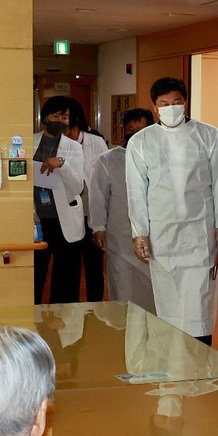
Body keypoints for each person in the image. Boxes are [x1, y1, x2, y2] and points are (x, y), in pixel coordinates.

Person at [125, 77, 218, 344]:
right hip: (162, 233)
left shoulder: (208, 135)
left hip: (199, 231)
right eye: (164, 104)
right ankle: (171, 364)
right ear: (154, 106)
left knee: (199, 301)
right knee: (169, 301)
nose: (171, 108)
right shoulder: (141, 141)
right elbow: (136, 191)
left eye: (177, 102)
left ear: (185, 102)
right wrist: (140, 233)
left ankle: (200, 356)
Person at [88, 108, 155, 312]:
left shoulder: (161, 158)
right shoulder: (108, 159)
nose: (135, 134)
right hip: (120, 235)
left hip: (155, 236)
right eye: (130, 129)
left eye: (141, 129)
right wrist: (98, 226)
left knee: (153, 291)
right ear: (124, 131)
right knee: (123, 288)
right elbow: (98, 195)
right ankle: (124, 333)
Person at [33, 96, 87, 303]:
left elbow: (77, 187)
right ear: (45, 117)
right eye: (56, 115)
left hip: (64, 219)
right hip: (37, 219)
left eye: (65, 117)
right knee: (36, 274)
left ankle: (64, 328)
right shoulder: (30, 141)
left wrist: (62, 165)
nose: (60, 120)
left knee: (66, 278)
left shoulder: (73, 147)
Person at [68, 102, 110, 302]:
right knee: (70, 266)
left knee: (94, 265)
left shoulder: (96, 142)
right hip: (68, 214)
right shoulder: (54, 143)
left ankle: (96, 309)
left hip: (92, 212)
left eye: (64, 117)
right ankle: (71, 311)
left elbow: (104, 178)